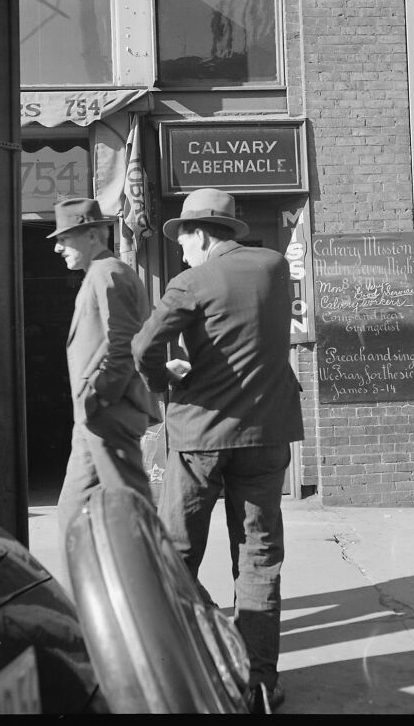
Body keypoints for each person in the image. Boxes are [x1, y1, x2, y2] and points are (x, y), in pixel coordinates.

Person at [131, 188, 304, 713]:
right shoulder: (275, 267)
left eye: (183, 238)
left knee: (178, 555)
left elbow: (144, 347)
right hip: (266, 433)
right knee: (258, 554)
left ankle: (190, 667)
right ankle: (258, 685)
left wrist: (168, 377)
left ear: (203, 234)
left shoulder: (192, 280)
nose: (181, 249)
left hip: (200, 435)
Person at [48, 198, 161, 584]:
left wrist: (98, 395)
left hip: (106, 412)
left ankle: (162, 599)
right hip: (96, 417)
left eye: (66, 238)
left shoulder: (107, 272)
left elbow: (124, 342)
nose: (58, 246)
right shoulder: (102, 272)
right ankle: (93, 604)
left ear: (94, 235)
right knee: (73, 511)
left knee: (132, 512)